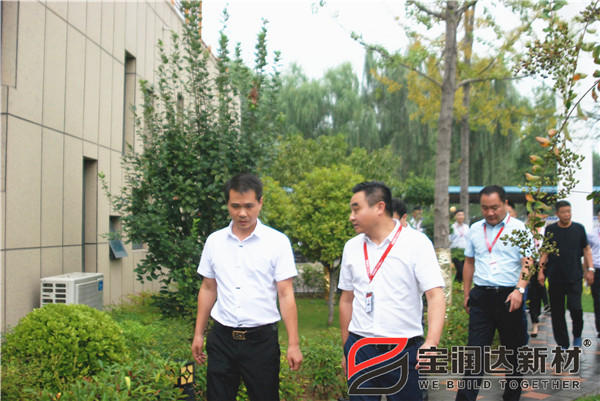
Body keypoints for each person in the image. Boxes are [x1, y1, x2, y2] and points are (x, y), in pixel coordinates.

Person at [191, 173, 303, 401]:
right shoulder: (214, 242)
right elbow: (208, 288)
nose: (242, 213)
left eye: (249, 206)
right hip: (222, 338)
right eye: (235, 206)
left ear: (260, 202)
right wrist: (198, 334)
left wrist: (294, 343)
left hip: (261, 342)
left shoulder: (277, 242)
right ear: (227, 204)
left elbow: (285, 294)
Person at [338, 181, 445, 400]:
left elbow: (435, 295)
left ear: (379, 207)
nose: (351, 217)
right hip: (361, 350)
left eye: (356, 209)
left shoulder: (416, 243)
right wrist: (346, 349)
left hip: (403, 351)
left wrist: (431, 342)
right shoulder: (352, 247)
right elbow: (347, 299)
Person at [456, 185, 532, 401]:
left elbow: (528, 262)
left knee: (513, 354)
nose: (489, 213)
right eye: (484, 208)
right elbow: (469, 262)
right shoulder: (475, 229)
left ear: (505, 204)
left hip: (510, 297)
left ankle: (511, 397)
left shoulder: (519, 228)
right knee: (475, 354)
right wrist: (467, 294)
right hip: (481, 297)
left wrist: (519, 289)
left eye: (495, 207)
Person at [538, 200, 594, 348]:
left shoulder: (579, 229)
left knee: (576, 308)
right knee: (557, 313)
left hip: (574, 277)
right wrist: (541, 271)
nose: (567, 215)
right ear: (557, 213)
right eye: (563, 212)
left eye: (569, 211)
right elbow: (545, 252)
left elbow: (587, 250)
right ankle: (562, 344)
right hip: (555, 278)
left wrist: (590, 269)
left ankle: (577, 335)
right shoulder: (551, 230)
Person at [525, 212, 549, 338]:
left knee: (537, 292)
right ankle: (533, 320)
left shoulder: (545, 231)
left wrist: (541, 269)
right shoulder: (524, 230)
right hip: (527, 263)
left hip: (541, 264)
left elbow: (547, 250)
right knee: (530, 293)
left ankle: (536, 319)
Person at [450, 209, 470, 283]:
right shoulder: (452, 227)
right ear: (455, 216)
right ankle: (457, 283)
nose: (460, 217)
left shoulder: (466, 227)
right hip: (455, 250)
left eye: (462, 215)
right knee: (460, 269)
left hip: (464, 250)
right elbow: (449, 239)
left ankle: (457, 284)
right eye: (458, 215)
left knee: (463, 270)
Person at [590, 207, 600, 338]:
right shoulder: (591, 234)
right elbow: (587, 252)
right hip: (597, 270)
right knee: (598, 301)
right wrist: (589, 270)